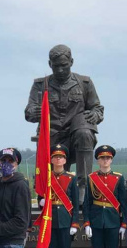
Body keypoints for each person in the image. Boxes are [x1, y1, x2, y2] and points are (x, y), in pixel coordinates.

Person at [25, 45, 104, 186]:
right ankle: (46, 189)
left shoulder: (84, 84)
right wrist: (34, 112)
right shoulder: (40, 85)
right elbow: (29, 112)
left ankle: (83, 187)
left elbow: (97, 108)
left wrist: (94, 114)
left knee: (85, 133)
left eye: (64, 65)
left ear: (71, 62)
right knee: (49, 186)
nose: (60, 70)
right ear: (50, 64)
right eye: (56, 66)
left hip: (76, 137)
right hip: (51, 136)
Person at [83, 145, 127, 248]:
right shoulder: (91, 178)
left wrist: (124, 224)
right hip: (96, 222)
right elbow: (87, 203)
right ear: (98, 160)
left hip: (113, 222)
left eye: (107, 158)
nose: (105, 160)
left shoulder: (119, 178)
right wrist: (87, 223)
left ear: (111, 160)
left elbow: (124, 204)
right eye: (102, 158)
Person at [41, 143, 80, 248]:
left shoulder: (71, 178)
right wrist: (41, 201)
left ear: (65, 160)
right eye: (55, 157)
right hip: (50, 221)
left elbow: (76, 204)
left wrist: (75, 223)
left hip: (65, 221)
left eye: (61, 157)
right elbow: (40, 196)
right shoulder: (46, 177)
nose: (58, 159)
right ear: (51, 159)